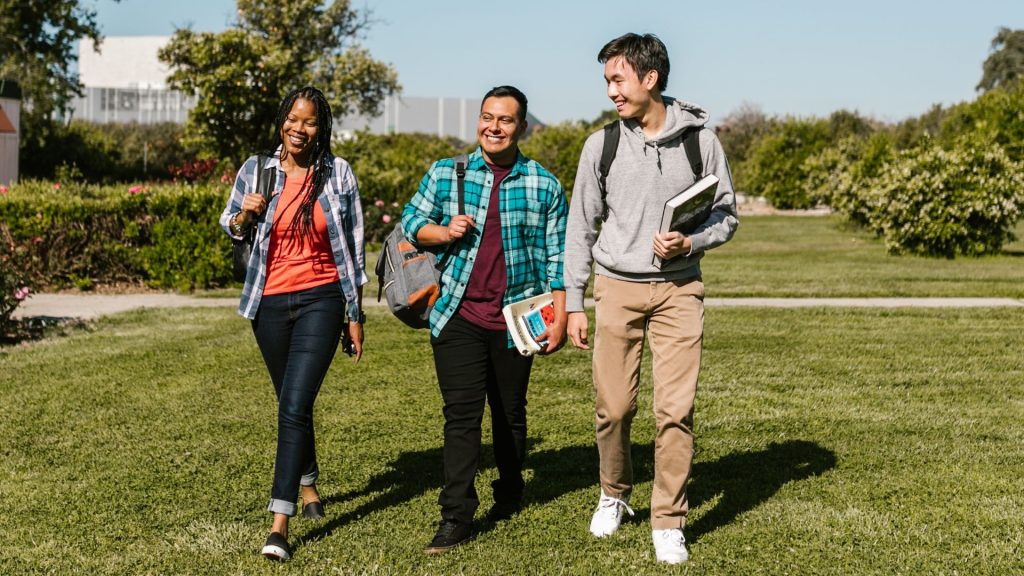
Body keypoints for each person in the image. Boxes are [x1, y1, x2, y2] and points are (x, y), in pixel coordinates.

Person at [564, 33, 739, 564]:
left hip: (680, 290)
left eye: (618, 79)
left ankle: (669, 519)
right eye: (607, 81)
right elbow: (581, 225)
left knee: (674, 410)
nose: (611, 91)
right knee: (613, 409)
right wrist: (575, 299)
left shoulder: (700, 141)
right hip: (616, 289)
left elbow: (726, 214)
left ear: (650, 78)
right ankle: (614, 493)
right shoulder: (602, 144)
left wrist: (693, 240)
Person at [401, 85, 568, 555]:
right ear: (478, 121)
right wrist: (443, 230)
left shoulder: (543, 184)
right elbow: (412, 221)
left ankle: (510, 492)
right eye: (487, 117)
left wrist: (559, 315)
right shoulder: (445, 172)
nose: (494, 127)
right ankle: (456, 515)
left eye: (506, 120)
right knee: (462, 417)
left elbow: (559, 258)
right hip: (457, 313)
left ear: (522, 128)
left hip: (518, 319)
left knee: (510, 413)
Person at [219, 86, 368, 562]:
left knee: (296, 401)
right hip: (269, 303)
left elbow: (355, 245)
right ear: (281, 120)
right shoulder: (256, 169)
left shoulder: (337, 173)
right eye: (291, 119)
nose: (298, 128)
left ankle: (279, 524)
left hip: (322, 298)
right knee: (291, 403)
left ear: (321, 127)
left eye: (308, 122)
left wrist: (355, 312)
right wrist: (246, 212)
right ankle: (308, 487)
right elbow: (230, 224)